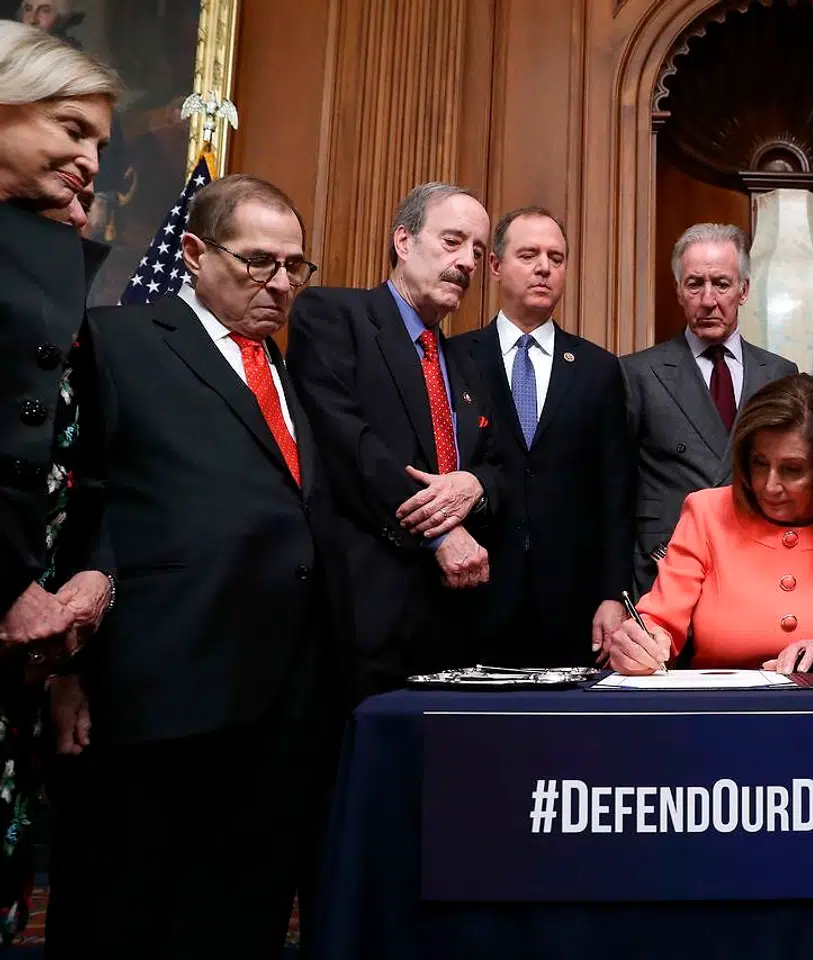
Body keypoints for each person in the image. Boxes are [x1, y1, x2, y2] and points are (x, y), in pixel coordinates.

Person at [43, 174, 352, 960]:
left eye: (294, 266)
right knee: (122, 920)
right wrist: (69, 667)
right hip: (157, 695)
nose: (279, 284)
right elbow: (79, 500)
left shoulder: (281, 367)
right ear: (193, 252)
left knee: (240, 923)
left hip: (282, 704)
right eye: (257, 262)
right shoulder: (118, 340)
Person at [288, 182, 500, 697]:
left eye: (477, 251)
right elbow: (347, 443)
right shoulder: (333, 316)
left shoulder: (466, 365)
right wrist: (441, 533)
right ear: (404, 241)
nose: (467, 262)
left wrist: (476, 485)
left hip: (455, 619)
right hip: (363, 615)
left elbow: (499, 464)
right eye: (453, 241)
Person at [0, 20, 116, 948]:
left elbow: (78, 460)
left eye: (101, 145)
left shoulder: (45, 264)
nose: (90, 163)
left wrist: (87, 578)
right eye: (72, 129)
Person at [603, 374, 813, 675]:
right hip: (723, 712)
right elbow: (658, 621)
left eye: (792, 469)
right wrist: (639, 643)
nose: (769, 486)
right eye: (759, 463)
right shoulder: (706, 512)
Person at [451, 207, 635, 666]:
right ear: (496, 266)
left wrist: (613, 594)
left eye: (556, 257)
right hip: (475, 591)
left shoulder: (598, 368)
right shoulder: (456, 358)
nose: (544, 268)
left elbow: (616, 491)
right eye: (528, 255)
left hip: (573, 598)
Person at [622, 222, 796, 597]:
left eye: (721, 283)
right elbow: (614, 488)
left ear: (743, 290)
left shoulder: (780, 373)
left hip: (757, 563)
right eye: (694, 284)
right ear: (678, 290)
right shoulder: (637, 373)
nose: (708, 299)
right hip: (664, 568)